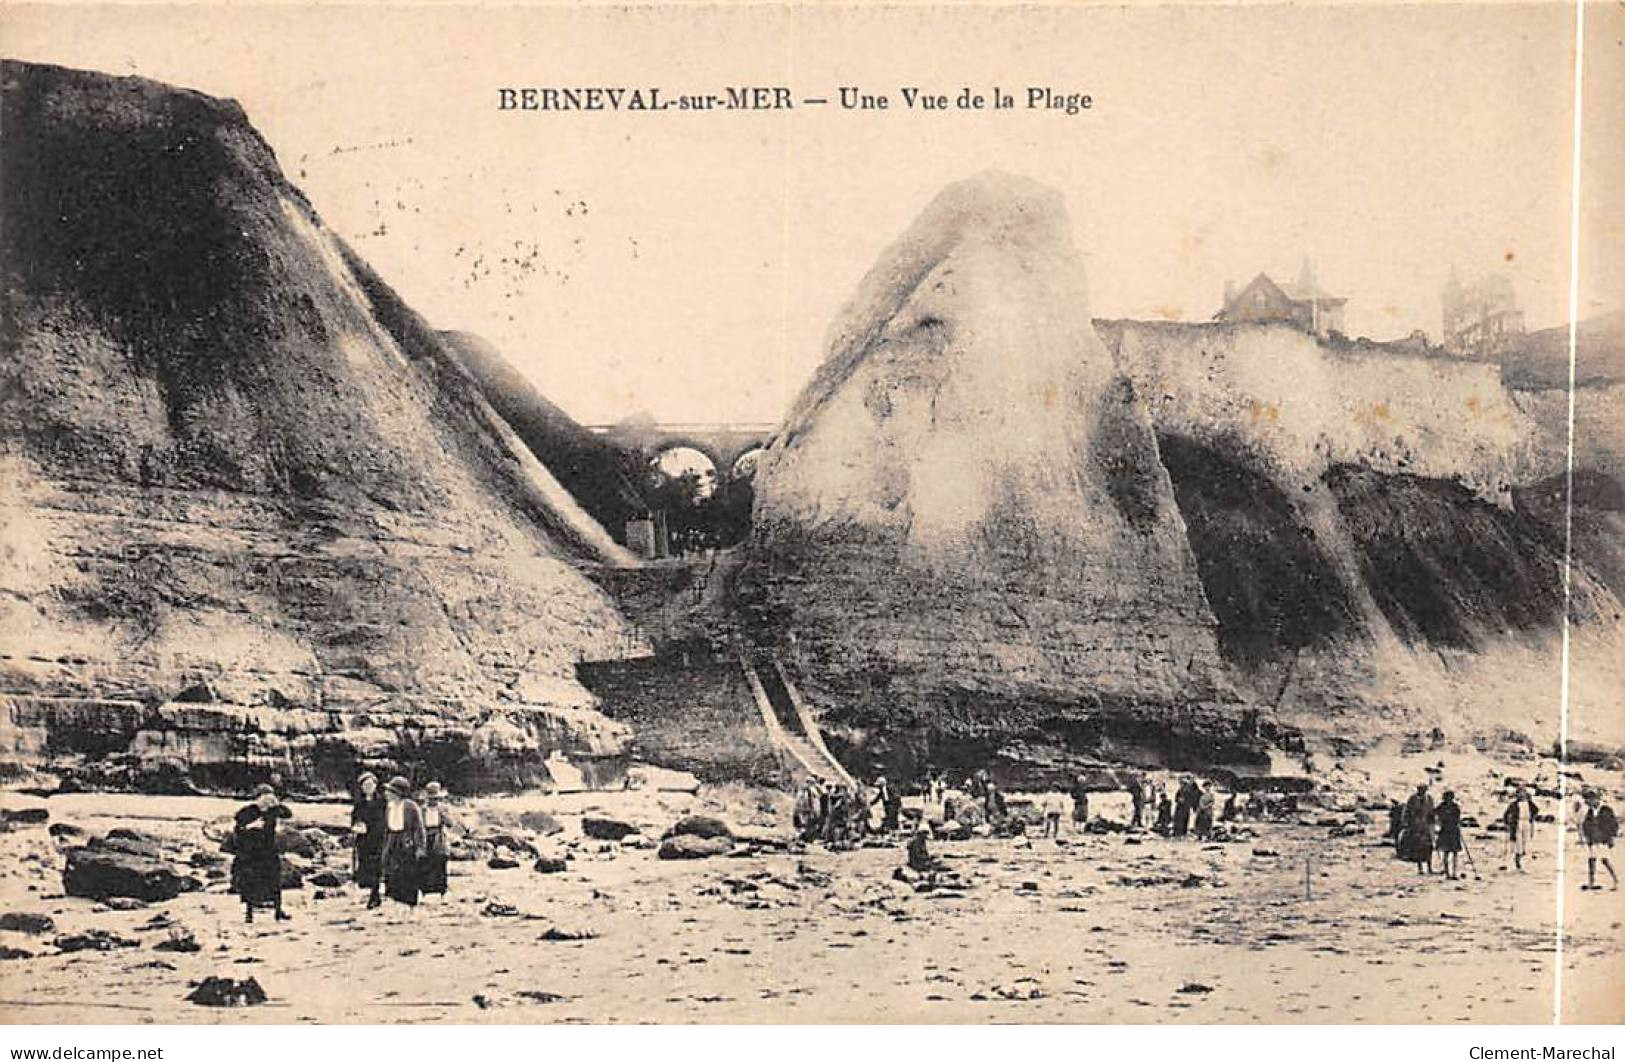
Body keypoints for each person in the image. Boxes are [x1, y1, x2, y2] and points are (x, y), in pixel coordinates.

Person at [232, 783, 292, 924]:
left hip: (253, 852)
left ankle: (250, 914)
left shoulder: (251, 810)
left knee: (252, 882)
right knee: (274, 881)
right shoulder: (272, 810)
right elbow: (288, 813)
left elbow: (238, 822)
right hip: (268, 850)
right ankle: (277, 911)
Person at [380, 776, 427, 911]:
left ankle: (409, 903)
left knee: (407, 871)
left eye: (390, 791)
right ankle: (395, 900)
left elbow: (419, 828)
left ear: (397, 793)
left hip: (406, 840)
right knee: (392, 870)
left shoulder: (410, 806)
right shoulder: (389, 807)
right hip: (392, 840)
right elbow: (387, 828)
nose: (387, 794)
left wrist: (420, 848)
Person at [350, 771, 387, 909]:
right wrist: (357, 826)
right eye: (365, 785)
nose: (368, 787)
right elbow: (354, 819)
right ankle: (373, 894)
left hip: (378, 837)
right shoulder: (359, 803)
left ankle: (374, 895)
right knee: (365, 865)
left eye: (370, 784)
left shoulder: (382, 801)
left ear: (376, 785)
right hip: (363, 839)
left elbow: (385, 818)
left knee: (377, 866)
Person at [419, 781, 455, 900]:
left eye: (435, 799)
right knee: (424, 863)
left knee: (440, 863)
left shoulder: (443, 808)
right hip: (425, 836)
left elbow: (451, 824)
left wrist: (444, 815)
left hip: (438, 836)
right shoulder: (422, 809)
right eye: (431, 799)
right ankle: (424, 891)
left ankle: (442, 892)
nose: (433, 801)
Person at [1580, 788, 1619, 891]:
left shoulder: (1606, 810)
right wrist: (1587, 837)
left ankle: (1615, 880)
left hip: (1604, 839)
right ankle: (1591, 882)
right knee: (1591, 860)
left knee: (1605, 860)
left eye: (1590, 800)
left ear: (1596, 799)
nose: (1588, 802)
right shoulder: (1590, 811)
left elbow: (1613, 824)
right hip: (1593, 840)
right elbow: (1585, 825)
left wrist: (1612, 837)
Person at [1400, 783, 1436, 874]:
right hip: (1415, 826)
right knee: (1418, 847)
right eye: (1420, 789)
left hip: (1426, 826)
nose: (1422, 791)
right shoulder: (1412, 799)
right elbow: (1407, 811)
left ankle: (1429, 867)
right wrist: (1406, 822)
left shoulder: (1429, 799)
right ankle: (1420, 868)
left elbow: (1432, 812)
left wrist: (1433, 822)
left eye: (1423, 790)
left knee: (1429, 847)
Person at [1504, 783, 1539, 872]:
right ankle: (1517, 860)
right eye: (1519, 793)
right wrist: (1508, 823)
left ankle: (1523, 861)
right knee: (1518, 842)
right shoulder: (1514, 804)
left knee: (1526, 842)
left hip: (1526, 822)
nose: (1521, 794)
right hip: (1517, 823)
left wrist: (1532, 818)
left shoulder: (1529, 803)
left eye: (1523, 792)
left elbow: (1536, 810)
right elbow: (1506, 814)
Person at [1435, 790, 1464, 880]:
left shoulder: (1455, 807)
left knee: (1454, 853)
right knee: (1446, 853)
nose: (1449, 799)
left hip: (1453, 831)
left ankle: (1454, 872)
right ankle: (1447, 873)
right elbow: (1435, 815)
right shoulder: (1441, 807)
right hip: (1445, 831)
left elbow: (1458, 819)